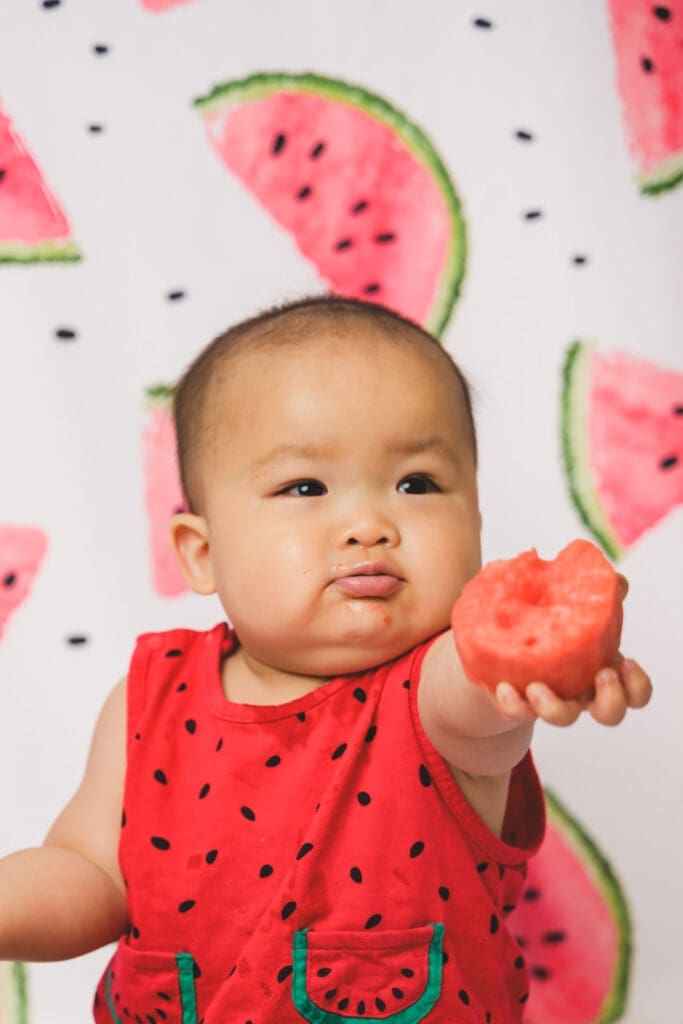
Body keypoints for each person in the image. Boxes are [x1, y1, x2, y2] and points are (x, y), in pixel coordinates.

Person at [0, 296, 651, 1022]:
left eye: (417, 484)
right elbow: (91, 875)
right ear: (203, 552)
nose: (368, 524)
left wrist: (534, 651)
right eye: (304, 487)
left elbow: (475, 686)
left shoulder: (434, 699)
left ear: (475, 520)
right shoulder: (149, 696)